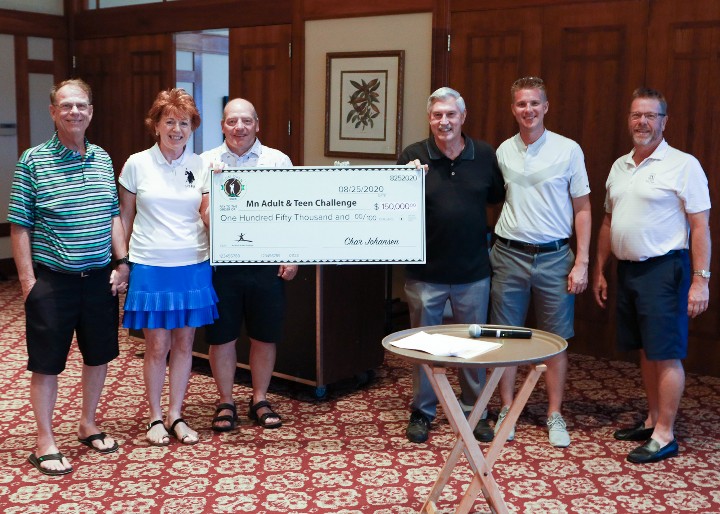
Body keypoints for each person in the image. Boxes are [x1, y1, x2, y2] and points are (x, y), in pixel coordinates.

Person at [8, 78, 128, 475]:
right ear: (53, 112)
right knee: (47, 363)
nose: (74, 112)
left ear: (91, 112)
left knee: (98, 357)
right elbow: (20, 226)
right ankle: (44, 440)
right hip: (52, 281)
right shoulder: (32, 160)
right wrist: (28, 283)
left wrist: (122, 261)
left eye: (81, 106)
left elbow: (113, 213)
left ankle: (87, 423)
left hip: (98, 279)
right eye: (66, 106)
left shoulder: (102, 158)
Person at [593, 88, 711, 464]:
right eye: (636, 115)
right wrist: (600, 268)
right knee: (646, 349)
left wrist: (701, 280)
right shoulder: (619, 165)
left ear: (664, 121)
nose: (642, 122)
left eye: (650, 115)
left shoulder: (684, 164)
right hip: (628, 270)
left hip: (665, 271)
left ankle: (665, 434)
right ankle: (652, 418)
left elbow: (700, 227)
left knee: (667, 352)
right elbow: (609, 221)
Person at [398, 87, 505, 444]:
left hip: (473, 272)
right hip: (425, 273)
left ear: (463, 117)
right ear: (430, 119)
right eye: (437, 115)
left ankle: (476, 411)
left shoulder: (485, 154)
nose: (444, 121)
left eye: (450, 115)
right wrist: (406, 182)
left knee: (471, 347)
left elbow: (495, 197)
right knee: (423, 347)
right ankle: (423, 412)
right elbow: (392, 206)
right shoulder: (413, 156)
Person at [490, 76, 591, 448]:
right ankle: (506, 408)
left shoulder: (568, 150)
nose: (528, 110)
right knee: (505, 339)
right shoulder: (502, 151)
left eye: (534, 103)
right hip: (508, 256)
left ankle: (553, 413)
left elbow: (583, 208)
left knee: (556, 341)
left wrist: (581, 261)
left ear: (546, 107)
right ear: (513, 109)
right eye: (521, 104)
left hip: (554, 258)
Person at [119, 88, 218, 446]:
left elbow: (207, 214)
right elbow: (124, 218)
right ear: (156, 125)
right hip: (150, 263)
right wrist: (121, 262)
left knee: (185, 344)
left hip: (192, 263)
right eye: (169, 121)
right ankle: (155, 417)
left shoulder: (204, 165)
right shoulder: (136, 163)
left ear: (192, 127)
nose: (177, 129)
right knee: (157, 345)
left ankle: (176, 413)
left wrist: (228, 207)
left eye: (184, 122)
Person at [200, 98, 298, 432]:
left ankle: (259, 398)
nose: (239, 128)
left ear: (257, 124)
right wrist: (216, 187)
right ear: (222, 125)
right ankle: (225, 400)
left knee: (264, 335)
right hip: (221, 265)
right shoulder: (206, 162)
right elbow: (203, 219)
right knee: (222, 337)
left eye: (245, 121)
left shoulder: (278, 160)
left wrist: (292, 254)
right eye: (231, 121)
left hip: (265, 264)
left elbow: (291, 213)